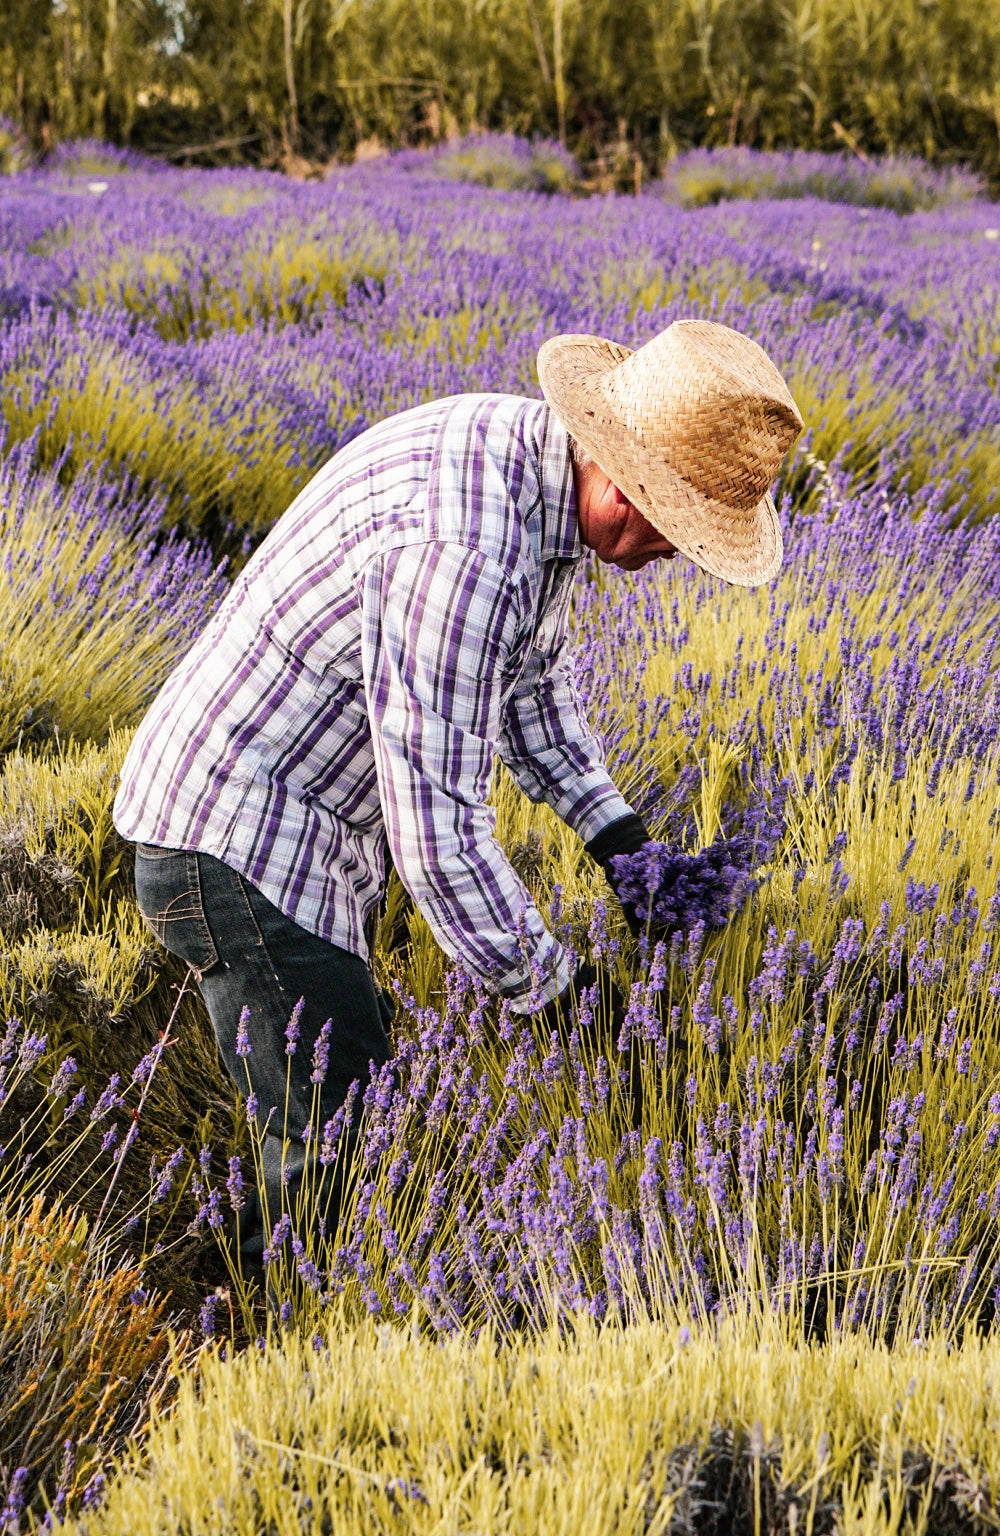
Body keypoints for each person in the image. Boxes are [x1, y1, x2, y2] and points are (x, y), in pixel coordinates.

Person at [114, 317, 802, 1272]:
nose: (671, 553)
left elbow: (531, 691)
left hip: (303, 826)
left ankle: (249, 1295)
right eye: (668, 520)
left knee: (334, 1099)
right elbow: (437, 838)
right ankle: (249, 1333)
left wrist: (622, 844)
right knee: (335, 1123)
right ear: (614, 465)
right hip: (233, 833)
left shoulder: (530, 474)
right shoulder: (464, 549)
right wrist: (558, 997)